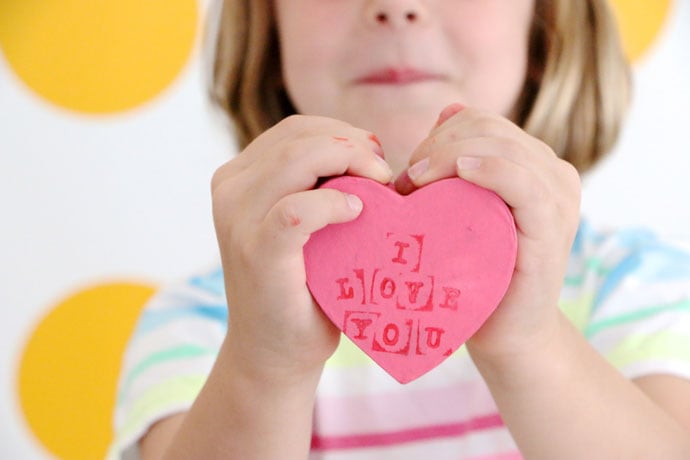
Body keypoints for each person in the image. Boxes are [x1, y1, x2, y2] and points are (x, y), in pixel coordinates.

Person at [108, 0, 690, 458]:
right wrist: (266, 365)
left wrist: (529, 340)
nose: (396, 5)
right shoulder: (202, 323)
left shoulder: (640, 284)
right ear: (267, 26)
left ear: (546, 24)